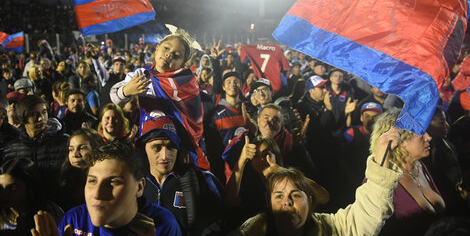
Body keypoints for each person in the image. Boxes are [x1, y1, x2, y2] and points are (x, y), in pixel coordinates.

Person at [231, 125, 403, 236]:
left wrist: (381, 160)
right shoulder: (254, 230)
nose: (287, 202)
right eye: (278, 196)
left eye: (296, 195)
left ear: (310, 200)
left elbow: (364, 216)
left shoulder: (330, 228)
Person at [31, 141, 182, 236]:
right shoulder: (75, 219)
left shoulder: (162, 224)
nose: (97, 194)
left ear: (139, 187)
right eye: (92, 181)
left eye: (113, 182)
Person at [110, 31, 209, 170]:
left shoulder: (186, 82)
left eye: (177, 55)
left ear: (183, 64)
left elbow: (193, 122)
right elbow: (114, 97)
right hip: (148, 144)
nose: (169, 55)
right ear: (157, 48)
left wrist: (186, 146)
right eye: (167, 48)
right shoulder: (141, 74)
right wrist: (127, 91)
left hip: (176, 149)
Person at [137, 116, 224, 235]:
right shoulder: (133, 185)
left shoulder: (200, 180)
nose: (165, 156)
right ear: (144, 149)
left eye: (171, 146)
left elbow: (219, 221)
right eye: (157, 148)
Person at [370, 108, 446, 236]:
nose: (428, 137)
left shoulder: (419, 166)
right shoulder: (380, 179)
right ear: (399, 141)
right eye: (420, 133)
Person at [2, 95, 69, 201]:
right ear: (22, 118)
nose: (41, 118)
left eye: (44, 112)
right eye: (34, 114)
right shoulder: (11, 149)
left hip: (58, 203)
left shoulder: (64, 142)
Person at [0, 158, 63, 236]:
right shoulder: (4, 215)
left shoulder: (50, 213)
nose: (4, 194)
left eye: (13, 188)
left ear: (30, 188)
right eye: (1, 188)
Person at [58, 129, 104, 210]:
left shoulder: (104, 180)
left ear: (96, 149)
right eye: (71, 149)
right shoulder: (64, 179)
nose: (75, 154)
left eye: (82, 148)